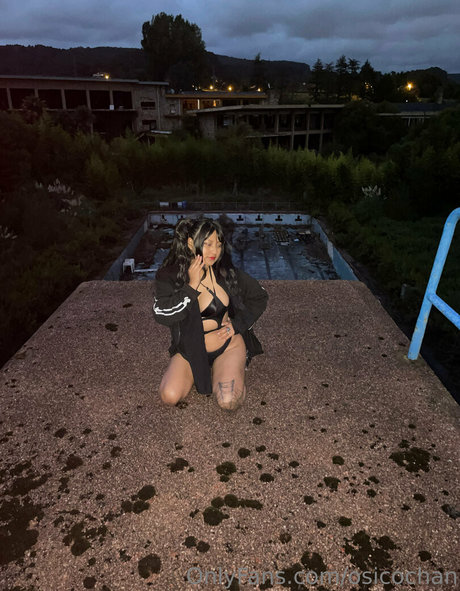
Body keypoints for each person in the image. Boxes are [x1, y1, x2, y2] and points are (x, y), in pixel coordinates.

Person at [152, 216, 268, 410]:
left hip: (227, 346)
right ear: (191, 243)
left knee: (228, 401)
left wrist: (237, 325)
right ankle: (209, 370)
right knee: (169, 396)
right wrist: (191, 287)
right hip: (189, 351)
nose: (215, 251)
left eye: (219, 245)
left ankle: (231, 367)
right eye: (208, 244)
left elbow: (260, 296)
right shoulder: (170, 276)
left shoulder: (226, 273)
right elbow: (161, 313)